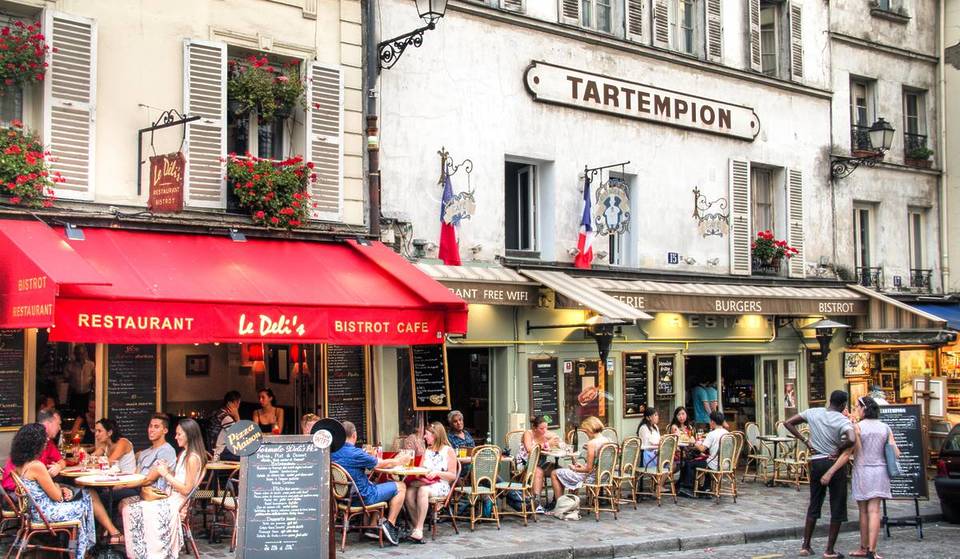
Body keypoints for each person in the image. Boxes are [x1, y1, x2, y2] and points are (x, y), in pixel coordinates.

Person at [11, 423, 122, 551]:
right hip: (46, 514)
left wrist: (61, 489)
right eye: (44, 438)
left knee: (87, 496)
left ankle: (79, 547)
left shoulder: (20, 465)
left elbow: (43, 489)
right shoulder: (37, 466)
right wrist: (59, 487)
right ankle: (79, 550)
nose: (47, 441)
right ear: (35, 443)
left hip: (35, 512)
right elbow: (57, 497)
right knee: (86, 503)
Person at [820, 397, 899, 559]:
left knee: (863, 511)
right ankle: (873, 550)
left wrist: (830, 471)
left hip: (862, 470)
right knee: (875, 511)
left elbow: (850, 452)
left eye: (857, 407)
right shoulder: (885, 428)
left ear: (864, 409)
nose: (856, 409)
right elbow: (896, 453)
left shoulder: (857, 427)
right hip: (880, 471)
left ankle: (863, 547)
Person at [784, 390, 856, 558]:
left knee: (814, 502)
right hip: (834, 463)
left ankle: (806, 545)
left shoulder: (814, 412)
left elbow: (788, 423)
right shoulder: (842, 420)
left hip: (816, 461)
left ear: (830, 401)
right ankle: (829, 550)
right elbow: (852, 439)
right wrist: (838, 449)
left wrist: (805, 441)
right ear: (843, 405)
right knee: (837, 505)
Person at [122, 418, 206, 559]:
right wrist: (167, 469)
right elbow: (180, 478)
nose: (175, 437)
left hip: (177, 504)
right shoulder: (185, 454)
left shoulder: (192, 458)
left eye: (179, 434)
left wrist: (165, 474)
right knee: (129, 508)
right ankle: (143, 550)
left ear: (189, 435)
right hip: (171, 498)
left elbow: (186, 490)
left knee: (130, 509)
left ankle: (149, 552)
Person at [331, 420, 408, 546]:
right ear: (354, 435)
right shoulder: (356, 453)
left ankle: (372, 527)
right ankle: (390, 524)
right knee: (401, 486)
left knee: (374, 484)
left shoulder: (332, 452)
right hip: (362, 498)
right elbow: (381, 464)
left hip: (341, 498)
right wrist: (400, 460)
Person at [403, 421, 458, 544]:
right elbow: (421, 470)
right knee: (409, 493)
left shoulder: (448, 451)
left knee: (422, 491)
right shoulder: (427, 450)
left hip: (441, 484)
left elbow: (453, 476)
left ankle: (419, 529)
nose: (424, 437)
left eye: (426, 434)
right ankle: (416, 525)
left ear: (435, 435)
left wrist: (437, 473)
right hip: (426, 482)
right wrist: (420, 473)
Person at [114, 414, 178, 504]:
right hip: (136, 489)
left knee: (107, 497)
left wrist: (123, 485)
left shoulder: (166, 450)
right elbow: (135, 475)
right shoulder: (144, 453)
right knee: (106, 494)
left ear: (165, 430)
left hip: (152, 494)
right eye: (150, 426)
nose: (151, 430)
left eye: (156, 427)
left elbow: (149, 479)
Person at [549, 416, 609, 504]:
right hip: (604, 476)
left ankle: (560, 505)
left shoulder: (591, 443)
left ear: (590, 429)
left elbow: (588, 469)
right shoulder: (607, 440)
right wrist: (582, 467)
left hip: (591, 478)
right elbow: (596, 464)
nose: (586, 434)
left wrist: (574, 468)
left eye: (586, 431)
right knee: (562, 473)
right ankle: (566, 502)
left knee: (554, 473)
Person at [2, 409, 66, 492]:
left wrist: (59, 466)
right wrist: (57, 486)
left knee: (69, 489)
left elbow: (61, 461)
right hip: (21, 491)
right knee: (74, 491)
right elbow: (56, 496)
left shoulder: (47, 442)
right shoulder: (35, 462)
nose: (59, 427)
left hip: (29, 488)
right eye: (58, 424)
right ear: (49, 423)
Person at [516, 415, 561, 513]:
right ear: (535, 428)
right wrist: (547, 444)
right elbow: (529, 449)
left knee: (558, 470)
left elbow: (556, 439)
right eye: (541, 428)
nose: (544, 430)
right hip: (526, 464)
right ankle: (536, 503)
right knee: (539, 472)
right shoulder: (528, 433)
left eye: (546, 427)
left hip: (541, 463)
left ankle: (558, 502)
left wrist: (556, 441)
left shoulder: (545, 434)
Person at [678, 410, 729, 497]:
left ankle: (688, 488)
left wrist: (694, 442)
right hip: (726, 464)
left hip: (715, 464)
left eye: (710, 421)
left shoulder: (712, 434)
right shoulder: (727, 433)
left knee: (689, 463)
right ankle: (706, 488)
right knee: (705, 460)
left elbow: (701, 449)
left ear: (712, 422)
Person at [206, 390, 241, 456]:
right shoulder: (225, 417)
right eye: (237, 403)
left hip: (213, 448)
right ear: (230, 403)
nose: (238, 405)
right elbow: (239, 435)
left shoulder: (218, 412)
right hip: (219, 451)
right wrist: (237, 417)